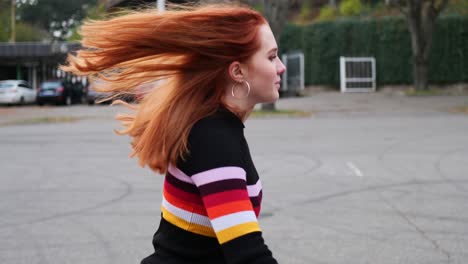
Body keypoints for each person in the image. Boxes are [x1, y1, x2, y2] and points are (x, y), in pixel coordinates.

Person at [62, 3, 286, 264]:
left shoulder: (216, 127)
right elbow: (248, 255)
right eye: (271, 57)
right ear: (237, 71)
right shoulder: (214, 138)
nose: (280, 67)